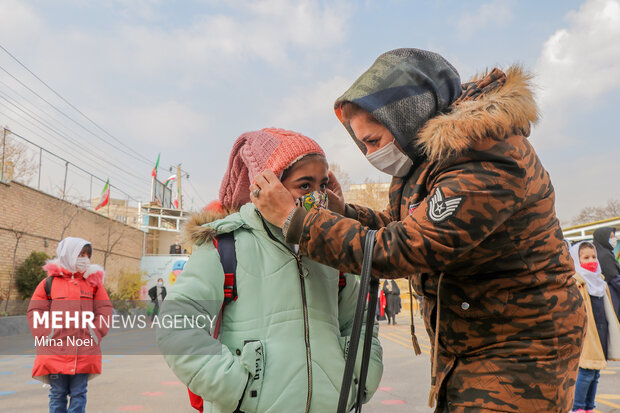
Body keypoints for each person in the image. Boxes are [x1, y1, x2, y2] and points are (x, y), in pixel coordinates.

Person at [251, 48, 586, 411]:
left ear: (405, 120)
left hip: (520, 349)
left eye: (374, 141)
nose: (368, 154)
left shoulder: (485, 157)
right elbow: (400, 225)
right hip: (473, 342)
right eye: (361, 144)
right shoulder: (428, 162)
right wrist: (343, 211)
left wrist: (296, 220)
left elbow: (401, 249)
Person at [157, 128, 383, 413]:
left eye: (322, 185)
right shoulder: (225, 245)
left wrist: (358, 381)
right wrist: (236, 389)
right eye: (305, 185)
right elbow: (177, 323)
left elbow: (361, 322)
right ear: (267, 186)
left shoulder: (331, 250)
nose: (317, 196)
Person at [27, 237, 112, 413]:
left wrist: (95, 332)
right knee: (57, 393)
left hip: (84, 350)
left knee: (79, 393)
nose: (84, 259)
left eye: (87, 255)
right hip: (55, 350)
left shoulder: (93, 283)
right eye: (80, 254)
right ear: (68, 254)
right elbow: (35, 311)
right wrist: (46, 334)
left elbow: (104, 309)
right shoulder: (49, 283)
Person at [569, 241, 620, 413]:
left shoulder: (599, 281)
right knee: (585, 372)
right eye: (586, 257)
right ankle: (578, 408)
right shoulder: (577, 282)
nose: (591, 260)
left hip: (601, 330)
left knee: (596, 372)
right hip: (587, 332)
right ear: (577, 260)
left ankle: (589, 407)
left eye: (594, 257)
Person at [592, 227, 620, 318]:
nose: (613, 240)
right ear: (603, 238)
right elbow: (614, 278)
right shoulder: (604, 255)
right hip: (613, 294)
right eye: (611, 237)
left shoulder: (601, 252)